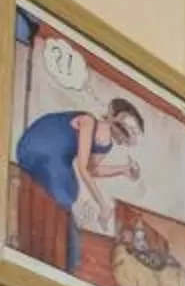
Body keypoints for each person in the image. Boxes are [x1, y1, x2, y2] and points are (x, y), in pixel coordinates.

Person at [12, 97, 144, 272]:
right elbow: (83, 168)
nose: (126, 135)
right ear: (113, 118)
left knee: (69, 192)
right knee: (67, 193)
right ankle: (61, 253)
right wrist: (103, 205)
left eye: (132, 132)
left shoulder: (106, 144)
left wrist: (123, 170)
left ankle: (67, 256)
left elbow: (93, 170)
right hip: (38, 146)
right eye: (126, 129)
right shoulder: (89, 122)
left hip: (57, 158)